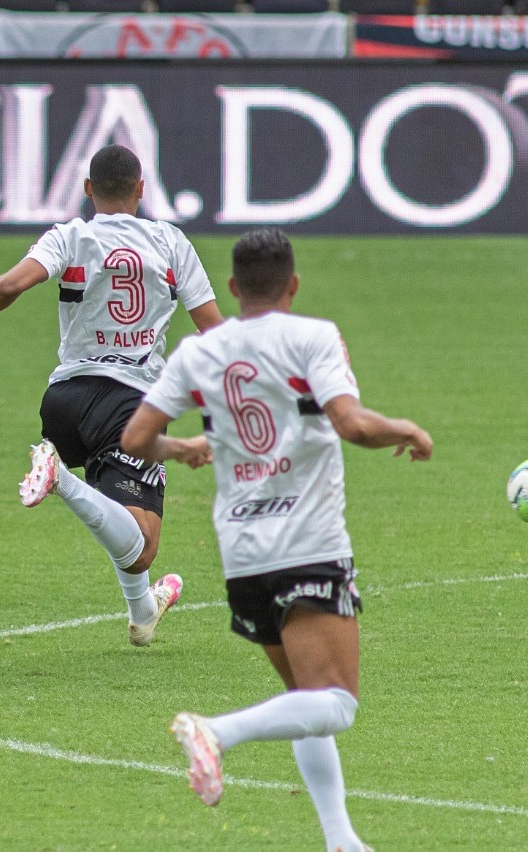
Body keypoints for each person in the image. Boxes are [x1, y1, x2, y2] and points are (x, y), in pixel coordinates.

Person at [120, 228, 432, 851]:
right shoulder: (313, 335)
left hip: (242, 551)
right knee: (336, 704)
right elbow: (351, 423)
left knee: (304, 701)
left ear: (233, 288)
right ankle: (216, 731)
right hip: (310, 539)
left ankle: (340, 839)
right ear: (292, 285)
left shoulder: (198, 353)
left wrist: (179, 447)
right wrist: (404, 427)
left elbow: (134, 439)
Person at [0, 144, 223, 646]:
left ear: (89, 189)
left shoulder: (71, 236)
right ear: (142, 188)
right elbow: (212, 331)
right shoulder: (170, 242)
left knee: (134, 533)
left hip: (65, 400)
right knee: (141, 547)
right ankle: (60, 480)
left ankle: (143, 614)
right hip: (131, 405)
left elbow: (11, 285)